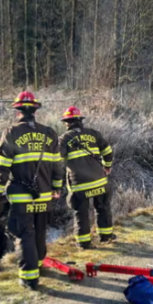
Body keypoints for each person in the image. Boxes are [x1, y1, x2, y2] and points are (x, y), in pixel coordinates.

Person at [0, 91, 64, 290]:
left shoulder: (11, 133)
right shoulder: (49, 133)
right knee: (40, 232)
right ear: (35, 111)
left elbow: (2, 167)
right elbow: (57, 165)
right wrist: (57, 187)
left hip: (21, 197)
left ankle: (29, 278)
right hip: (44, 195)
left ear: (18, 112)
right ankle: (38, 265)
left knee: (24, 234)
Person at [59, 106, 115, 249]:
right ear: (80, 120)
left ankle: (83, 243)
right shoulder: (93, 134)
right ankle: (106, 237)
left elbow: (56, 157)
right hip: (99, 181)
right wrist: (107, 166)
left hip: (80, 185)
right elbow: (107, 151)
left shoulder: (64, 138)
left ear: (66, 123)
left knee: (81, 214)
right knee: (103, 208)